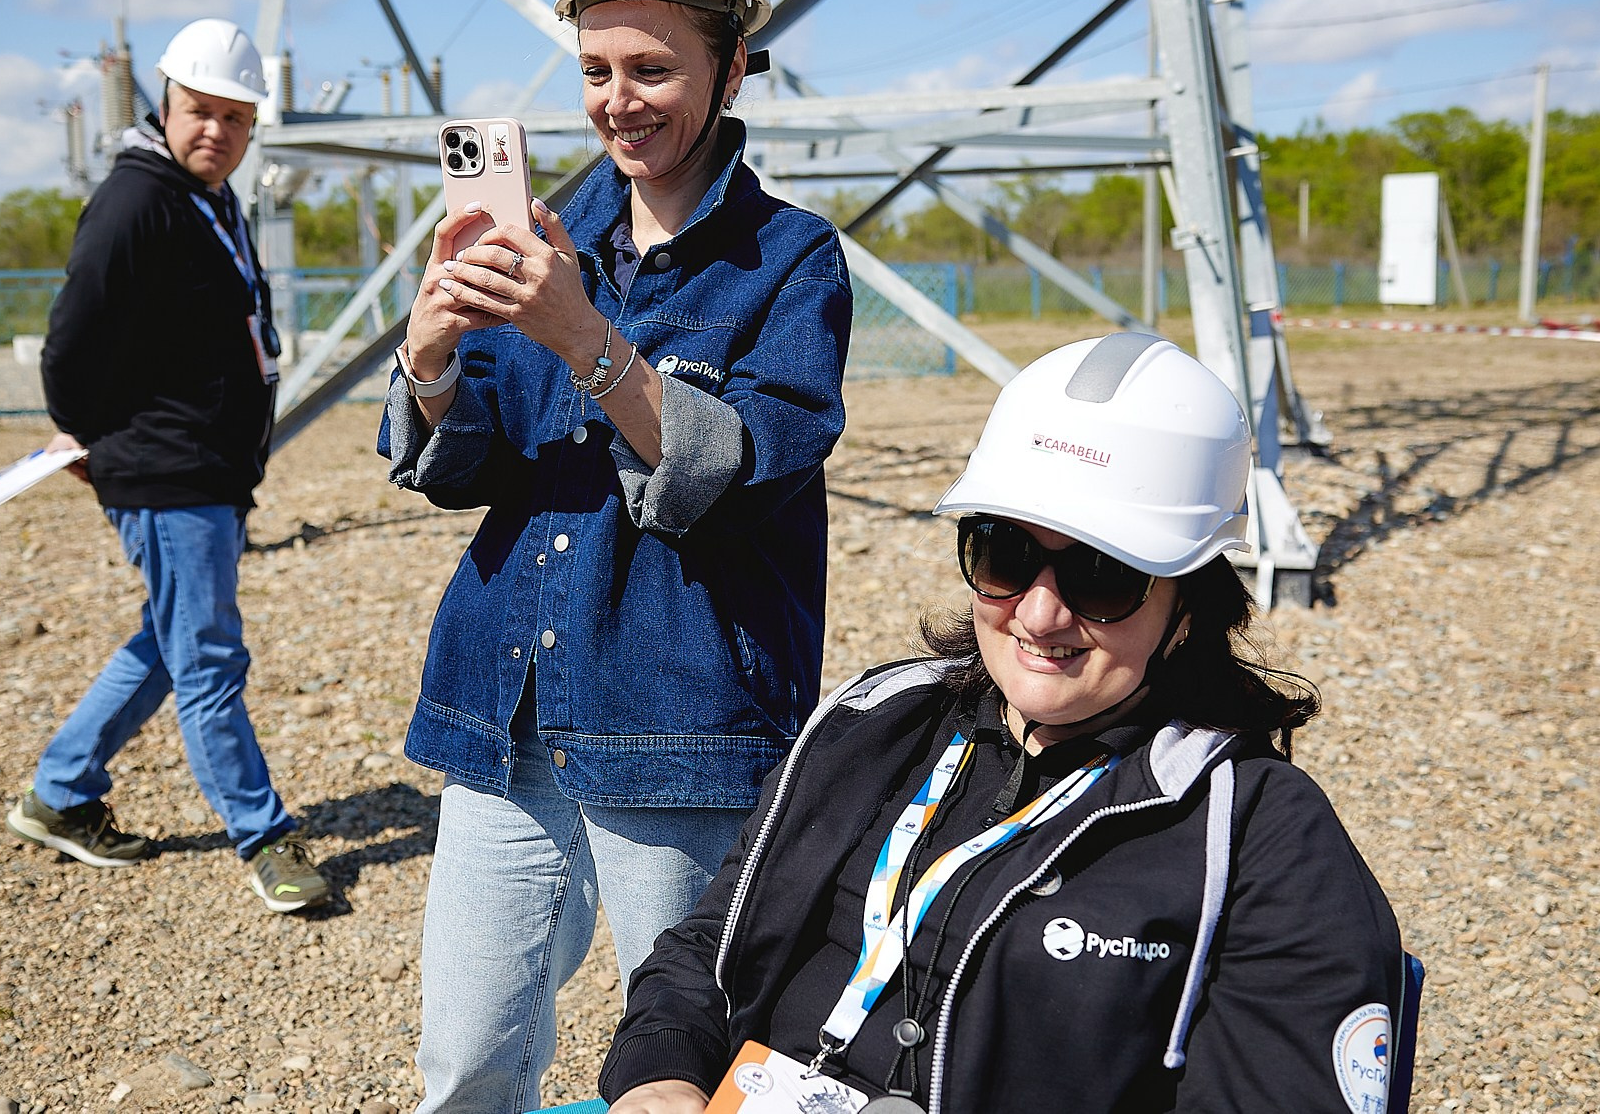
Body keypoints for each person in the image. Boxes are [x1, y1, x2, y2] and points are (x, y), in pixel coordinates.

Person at [599, 333, 1408, 1114]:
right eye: (1006, 555)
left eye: (1104, 575)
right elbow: (712, 944)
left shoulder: (1260, 832)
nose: (1042, 613)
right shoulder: (875, 721)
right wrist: (661, 1073)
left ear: (1188, 609)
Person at [379, 0, 852, 1114]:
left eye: (651, 68)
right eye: (595, 70)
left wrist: (587, 340)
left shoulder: (789, 260)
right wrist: (429, 358)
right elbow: (469, 460)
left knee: (691, 1070)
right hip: (507, 708)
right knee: (467, 1060)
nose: (615, 103)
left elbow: (733, 474)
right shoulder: (547, 235)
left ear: (733, 67)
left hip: (679, 722)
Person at [7, 17, 330, 914]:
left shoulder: (206, 195)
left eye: (234, 118)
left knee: (172, 637)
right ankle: (265, 837)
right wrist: (83, 436)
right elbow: (71, 339)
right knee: (211, 658)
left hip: (207, 467)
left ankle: (61, 793)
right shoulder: (136, 200)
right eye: (198, 112)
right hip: (165, 467)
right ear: (164, 102)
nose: (214, 133)